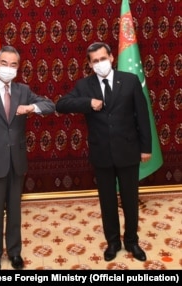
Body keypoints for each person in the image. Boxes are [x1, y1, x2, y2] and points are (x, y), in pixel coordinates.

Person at [56, 42, 152, 262]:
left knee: (130, 199)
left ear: (111, 57)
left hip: (128, 151)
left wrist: (146, 148)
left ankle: (132, 242)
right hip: (102, 154)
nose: (100, 63)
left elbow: (142, 115)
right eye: (95, 61)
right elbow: (61, 104)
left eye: (103, 58)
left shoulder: (129, 81)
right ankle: (113, 243)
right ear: (90, 64)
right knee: (107, 202)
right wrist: (88, 102)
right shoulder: (84, 85)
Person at [0, 45, 55, 270]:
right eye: (4, 63)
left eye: (13, 65)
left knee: (15, 210)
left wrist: (31, 107)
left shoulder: (23, 91)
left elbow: (49, 105)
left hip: (16, 161)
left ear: (18, 67)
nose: (8, 68)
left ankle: (15, 252)